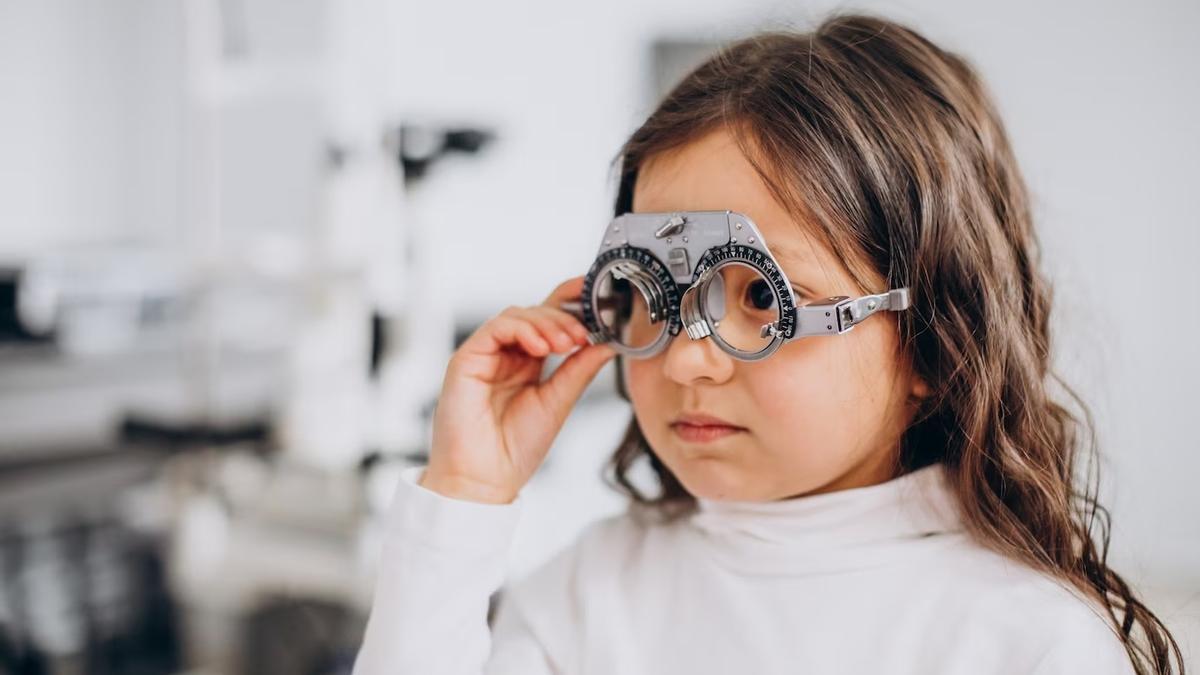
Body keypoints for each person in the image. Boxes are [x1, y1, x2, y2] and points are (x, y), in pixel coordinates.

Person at [352, 12, 1183, 675]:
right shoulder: (590, 591)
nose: (684, 358)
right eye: (654, 293)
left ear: (932, 346)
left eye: (761, 296)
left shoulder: (1021, 642)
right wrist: (464, 493)